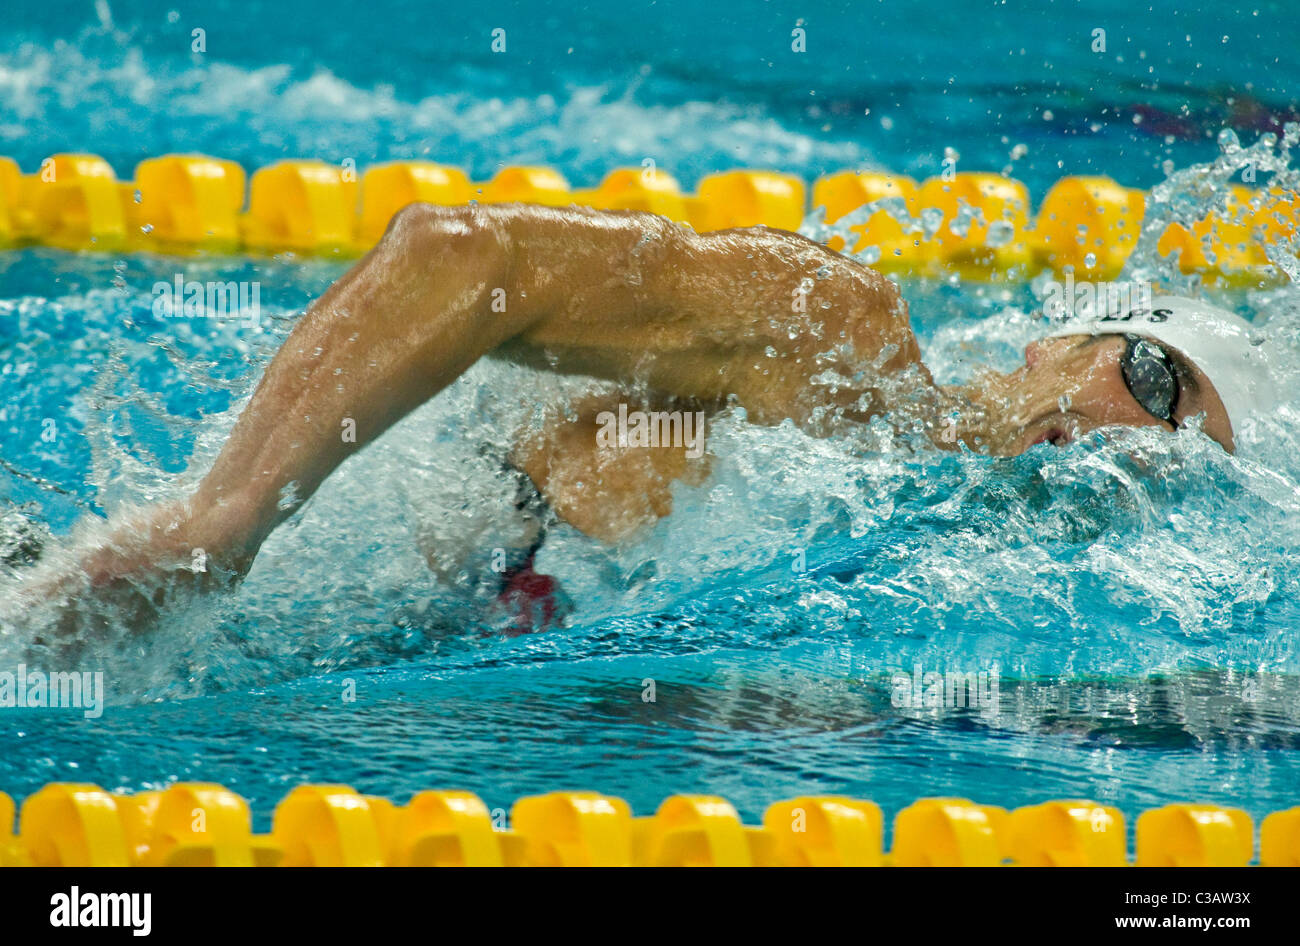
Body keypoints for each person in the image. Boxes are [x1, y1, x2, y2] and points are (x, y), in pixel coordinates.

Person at [10, 201, 1278, 631]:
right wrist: (223, 522)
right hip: (250, 593)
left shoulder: (965, 586)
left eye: (1181, 453)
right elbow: (466, 254)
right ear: (1060, 334)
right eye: (1153, 381)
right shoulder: (835, 333)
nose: (1129, 442)